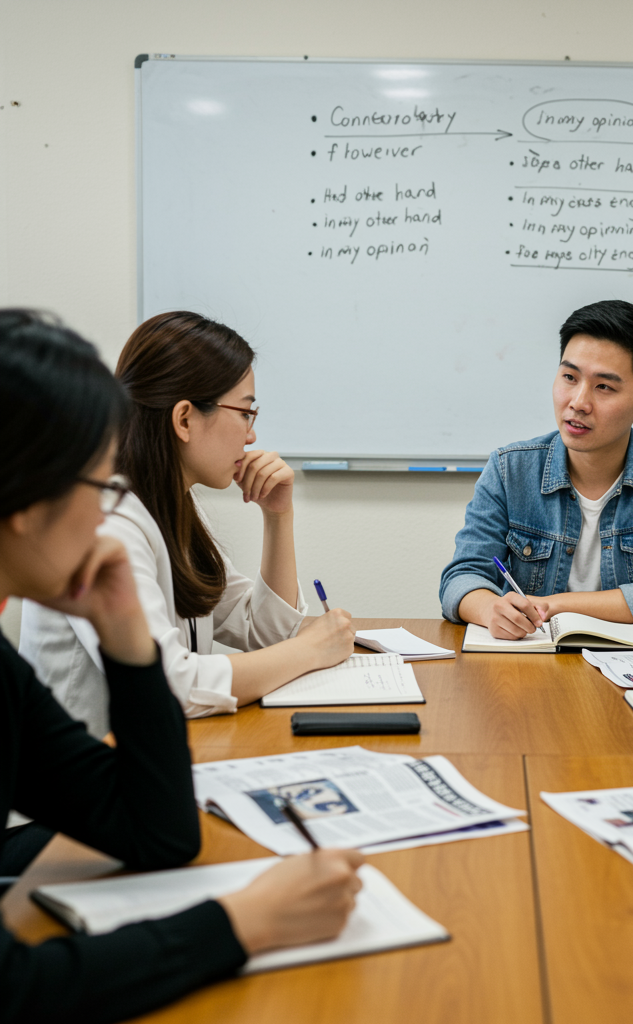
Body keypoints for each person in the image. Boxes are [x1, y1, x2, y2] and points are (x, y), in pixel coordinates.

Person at [0, 310, 364, 1022]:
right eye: (95, 481)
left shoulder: (166, 514)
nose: (106, 505)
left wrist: (130, 642)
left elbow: (160, 833)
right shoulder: (127, 521)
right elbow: (18, 993)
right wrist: (241, 924)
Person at [20, 311, 355, 738]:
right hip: (82, 787)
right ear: (184, 419)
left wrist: (278, 516)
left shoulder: (166, 506)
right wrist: (309, 650)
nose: (252, 436)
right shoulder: (106, 522)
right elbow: (168, 686)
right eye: (245, 413)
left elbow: (263, 633)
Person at [439, 299, 633, 638]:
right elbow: (461, 578)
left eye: (604, 387)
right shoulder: (510, 469)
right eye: (569, 377)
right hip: (528, 665)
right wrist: (489, 608)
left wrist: (554, 605)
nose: (578, 402)